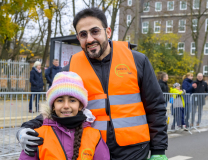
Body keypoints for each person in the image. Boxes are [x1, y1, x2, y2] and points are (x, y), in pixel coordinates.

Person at [17, 8, 168, 160]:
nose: (89, 39)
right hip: (92, 150)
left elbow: (155, 107)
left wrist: (158, 150)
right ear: (78, 38)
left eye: (95, 31)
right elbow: (56, 109)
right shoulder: (71, 69)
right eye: (83, 34)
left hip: (135, 151)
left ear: (108, 32)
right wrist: (25, 128)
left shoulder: (137, 61)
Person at [19, 72, 110, 160]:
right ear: (53, 106)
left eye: (72, 100)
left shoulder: (94, 136)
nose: (66, 106)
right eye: (60, 100)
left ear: (80, 106)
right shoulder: (38, 136)